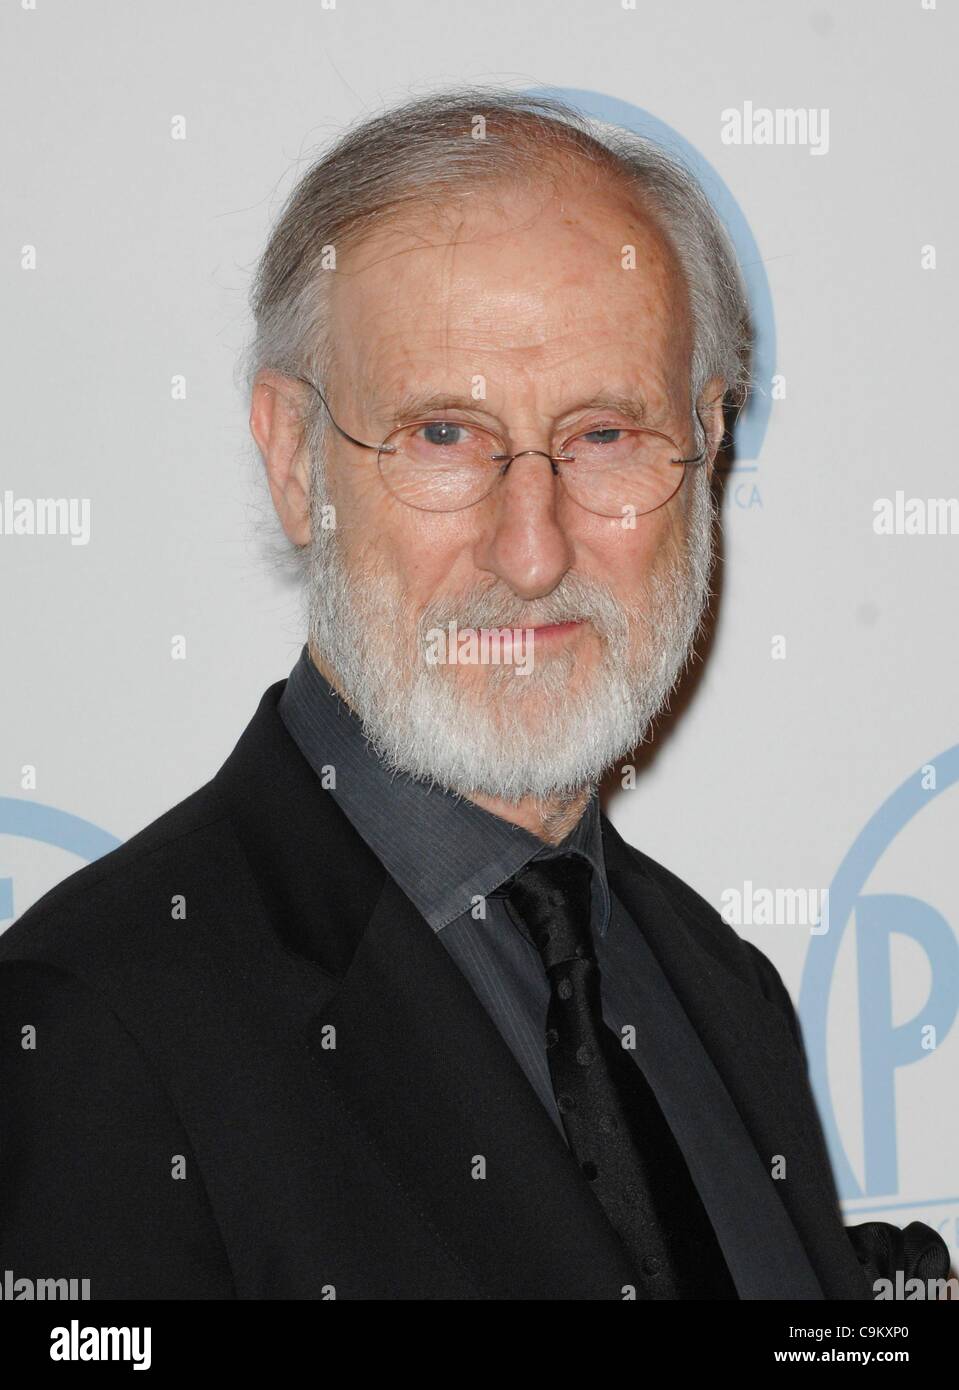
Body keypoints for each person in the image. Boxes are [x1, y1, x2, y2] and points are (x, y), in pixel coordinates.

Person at [0, 89, 947, 1300]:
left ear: (705, 448)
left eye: (605, 433)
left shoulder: (722, 992)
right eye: (443, 434)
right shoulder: (99, 1036)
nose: (533, 548)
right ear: (296, 463)